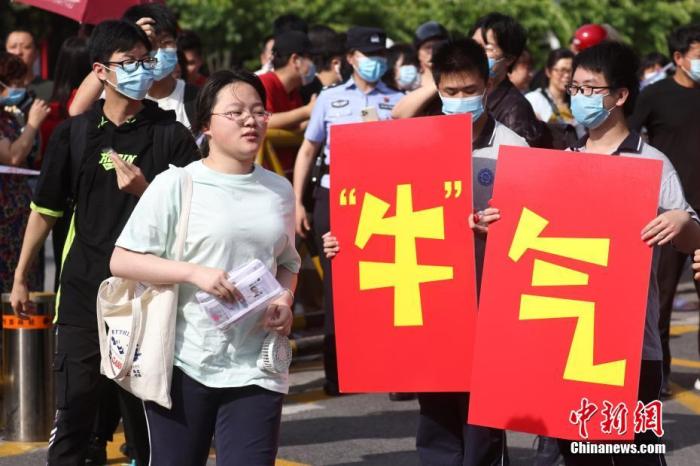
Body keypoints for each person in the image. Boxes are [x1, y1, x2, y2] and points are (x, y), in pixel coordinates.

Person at [323, 37, 528, 465]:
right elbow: (375, 211)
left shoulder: (513, 146)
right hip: (430, 299)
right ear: (436, 88)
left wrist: (493, 226)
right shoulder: (417, 141)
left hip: (486, 300)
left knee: (481, 425)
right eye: (449, 92)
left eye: (469, 90)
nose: (459, 100)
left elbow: (528, 229)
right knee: (435, 418)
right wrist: (343, 240)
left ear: (487, 86)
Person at [9, 19, 200, 464]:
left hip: (148, 298)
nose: (141, 69)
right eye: (129, 62)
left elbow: (198, 215)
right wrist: (21, 276)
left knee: (146, 424)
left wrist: (145, 189)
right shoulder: (73, 134)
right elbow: (45, 210)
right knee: (75, 412)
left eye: (146, 60)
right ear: (101, 71)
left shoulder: (171, 134)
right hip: (81, 292)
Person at [110, 68, 300, 466]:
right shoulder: (176, 184)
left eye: (258, 111)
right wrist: (193, 273)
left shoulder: (279, 190)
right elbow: (122, 260)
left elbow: (287, 263)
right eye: (235, 112)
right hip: (184, 362)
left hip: (257, 365)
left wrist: (285, 298)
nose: (251, 120)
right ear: (205, 126)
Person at [556, 40, 700, 466]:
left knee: (635, 455)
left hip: (633, 347)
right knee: (582, 452)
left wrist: (681, 223)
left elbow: (692, 238)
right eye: (575, 89)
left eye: (590, 89)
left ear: (619, 96)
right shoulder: (562, 163)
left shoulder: (651, 163)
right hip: (569, 342)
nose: (580, 98)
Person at [292, 26, 403, 396]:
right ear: (352, 58)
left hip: (385, 201)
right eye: (368, 56)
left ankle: (394, 369)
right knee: (338, 284)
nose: (376, 63)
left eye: (380, 57)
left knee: (388, 283)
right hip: (334, 198)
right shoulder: (330, 98)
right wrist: (297, 202)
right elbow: (308, 150)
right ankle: (337, 373)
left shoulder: (397, 100)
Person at [629, 23, 700, 397]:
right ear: (678, 58)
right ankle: (660, 376)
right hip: (668, 214)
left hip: (697, 221)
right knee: (661, 298)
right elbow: (628, 141)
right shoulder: (654, 96)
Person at [393, 13, 548, 148]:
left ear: (508, 58)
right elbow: (400, 114)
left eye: (486, 48)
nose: (460, 98)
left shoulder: (515, 110)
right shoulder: (443, 93)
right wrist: (447, 77)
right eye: (451, 92)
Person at [70, 4, 200, 132]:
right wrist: (130, 35)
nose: (157, 51)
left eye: (166, 42)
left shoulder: (196, 100)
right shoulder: (116, 94)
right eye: (149, 44)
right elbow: (77, 113)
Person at [0, 51, 50, 295]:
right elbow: (13, 156)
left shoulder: (8, 116)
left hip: (17, 218)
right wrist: (33, 123)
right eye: (13, 83)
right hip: (4, 224)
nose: (17, 89)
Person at [525, 48, 581, 133]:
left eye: (570, 71)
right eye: (562, 70)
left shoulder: (578, 103)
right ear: (548, 71)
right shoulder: (533, 100)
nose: (566, 75)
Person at [5, 29, 53, 100]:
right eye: (13, 47)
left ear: (36, 53)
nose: (18, 52)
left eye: (26, 47)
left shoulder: (51, 89)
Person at [414, 21, 449, 88]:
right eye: (428, 47)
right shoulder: (409, 83)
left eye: (439, 46)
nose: (434, 51)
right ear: (418, 53)